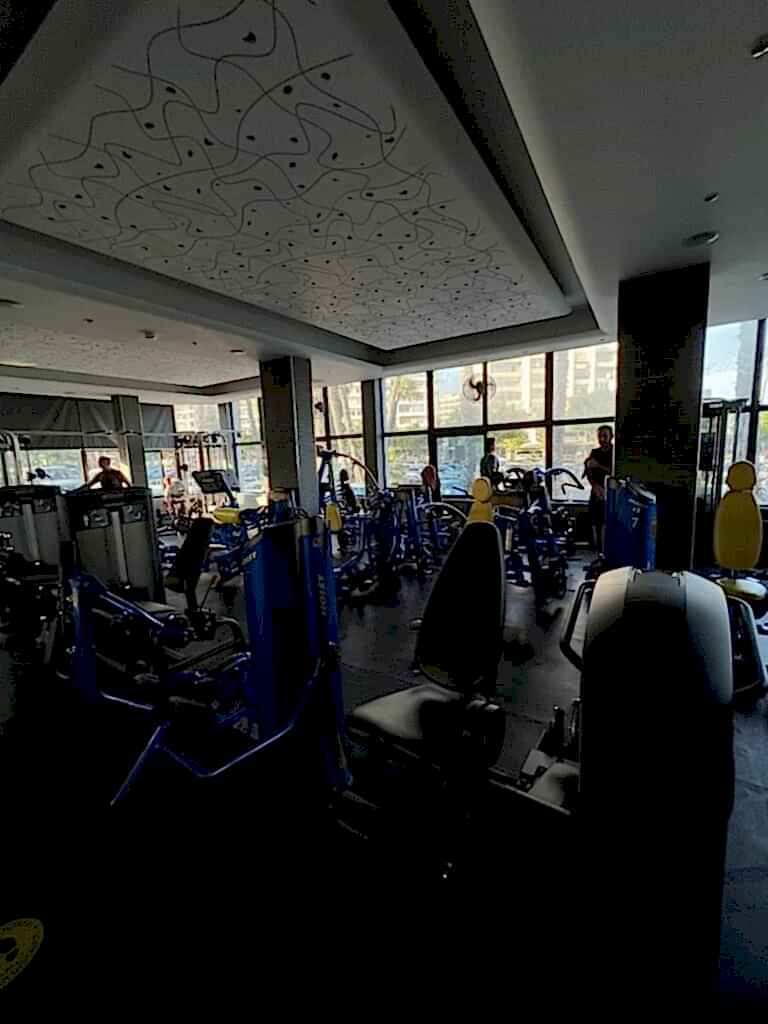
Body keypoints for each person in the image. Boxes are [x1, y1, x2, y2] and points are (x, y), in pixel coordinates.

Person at [584, 424, 614, 552]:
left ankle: (608, 550)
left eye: (605, 436)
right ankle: (598, 550)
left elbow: (615, 472)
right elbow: (589, 472)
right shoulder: (594, 452)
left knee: (609, 521)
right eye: (600, 436)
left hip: (612, 492)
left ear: (611, 437)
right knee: (595, 521)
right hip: (596, 491)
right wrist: (594, 486)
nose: (602, 439)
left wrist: (598, 465)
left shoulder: (615, 452)